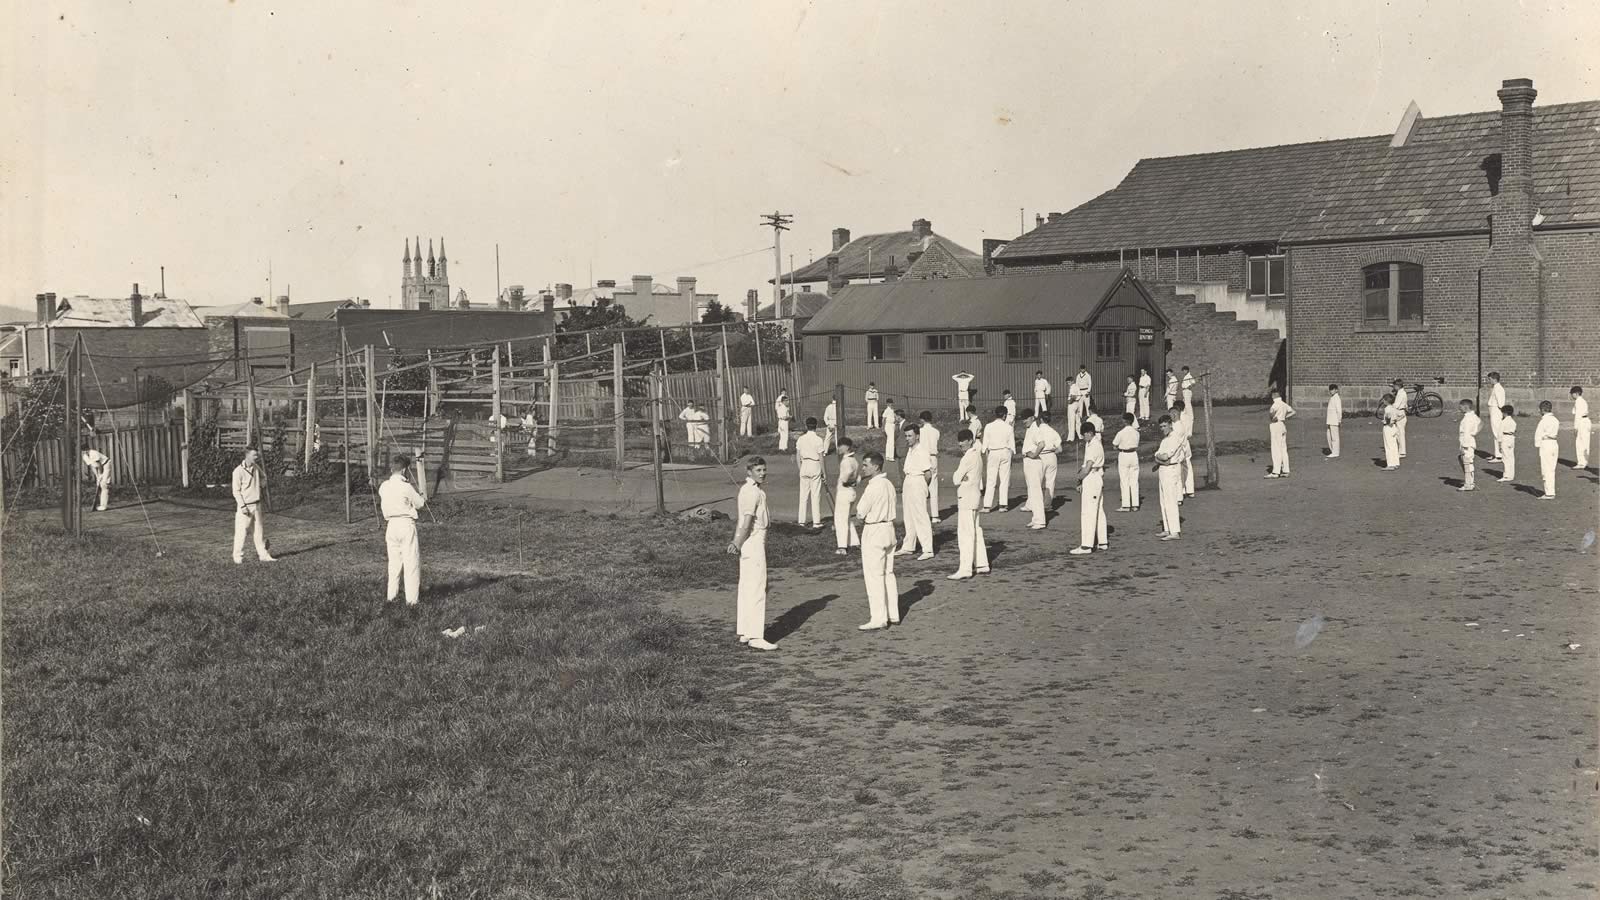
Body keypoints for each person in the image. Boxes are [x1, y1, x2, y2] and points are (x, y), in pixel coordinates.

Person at [727, 457, 777, 650]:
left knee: (748, 587)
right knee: (756, 588)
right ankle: (756, 637)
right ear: (749, 472)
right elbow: (746, 522)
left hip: (753, 542)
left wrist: (738, 542)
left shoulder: (753, 490)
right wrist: (737, 542)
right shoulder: (751, 492)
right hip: (753, 542)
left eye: (764, 469)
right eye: (758, 470)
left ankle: (746, 632)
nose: (762, 473)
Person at [854, 451, 900, 630]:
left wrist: (862, 516)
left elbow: (860, 513)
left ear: (876, 466)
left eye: (865, 465)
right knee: (888, 573)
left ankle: (878, 618)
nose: (863, 468)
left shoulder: (872, 487)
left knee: (874, 576)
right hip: (889, 529)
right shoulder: (888, 484)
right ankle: (893, 614)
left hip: (874, 530)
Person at [379, 452, 427, 603]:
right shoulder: (406, 487)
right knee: (411, 563)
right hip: (405, 525)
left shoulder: (384, 486)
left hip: (391, 526)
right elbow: (420, 503)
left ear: (392, 469)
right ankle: (412, 602)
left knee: (394, 564)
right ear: (405, 470)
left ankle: (391, 598)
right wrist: (422, 495)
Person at [948, 429, 990, 580]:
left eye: (964, 441)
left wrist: (962, 476)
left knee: (965, 534)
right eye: (960, 441)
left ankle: (965, 569)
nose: (961, 444)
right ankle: (982, 564)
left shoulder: (967, 458)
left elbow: (955, 478)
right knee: (976, 531)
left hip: (966, 498)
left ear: (971, 441)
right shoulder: (977, 455)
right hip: (974, 497)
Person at [231, 446, 277, 564]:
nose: (256, 457)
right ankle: (238, 558)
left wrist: (261, 485)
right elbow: (236, 491)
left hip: (257, 505)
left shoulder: (256, 467)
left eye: (257, 455)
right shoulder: (238, 471)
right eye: (254, 455)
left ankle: (263, 555)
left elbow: (264, 477)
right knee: (242, 532)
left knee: (259, 531)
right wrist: (242, 506)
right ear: (247, 455)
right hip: (245, 507)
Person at [896, 423, 935, 559]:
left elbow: (928, 474)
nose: (907, 439)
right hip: (909, 481)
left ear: (917, 436)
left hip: (918, 482)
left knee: (920, 516)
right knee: (909, 515)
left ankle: (928, 549)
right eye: (906, 436)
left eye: (910, 436)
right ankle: (908, 546)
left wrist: (923, 488)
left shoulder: (922, 450)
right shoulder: (910, 450)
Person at [1070, 421, 1108, 554]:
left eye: (1084, 434)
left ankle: (1086, 545)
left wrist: (1079, 479)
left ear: (1089, 433)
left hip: (1092, 478)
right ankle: (1102, 542)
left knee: (1088, 512)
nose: (1083, 437)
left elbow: (1087, 468)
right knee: (1098, 511)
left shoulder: (1094, 445)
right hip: (1095, 477)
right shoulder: (1091, 443)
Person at [1152, 416, 1186, 541]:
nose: (1162, 429)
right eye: (1161, 427)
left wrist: (1160, 457)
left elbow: (1166, 456)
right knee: (1163, 500)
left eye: (1165, 426)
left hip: (1171, 470)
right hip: (1163, 469)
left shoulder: (1175, 438)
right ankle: (1167, 528)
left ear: (1171, 425)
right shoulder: (1165, 440)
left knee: (1170, 500)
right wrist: (1159, 457)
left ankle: (1175, 531)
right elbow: (1157, 455)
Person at [981, 405, 1014, 512]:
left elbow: (984, 445)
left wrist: (987, 457)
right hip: (1005, 452)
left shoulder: (988, 426)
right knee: (1004, 479)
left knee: (991, 480)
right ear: (1004, 415)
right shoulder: (1009, 427)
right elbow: (1012, 445)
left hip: (993, 453)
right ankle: (1003, 505)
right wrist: (1010, 458)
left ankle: (987, 506)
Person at [795, 417, 825, 528]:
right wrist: (824, 472)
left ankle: (801, 521)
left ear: (806, 425)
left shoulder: (801, 439)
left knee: (803, 496)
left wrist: (800, 469)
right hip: (815, 464)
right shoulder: (818, 440)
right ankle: (816, 522)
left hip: (804, 465)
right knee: (815, 494)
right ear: (816, 426)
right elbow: (821, 457)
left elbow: (798, 456)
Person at [833, 438, 862, 554]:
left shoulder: (846, 461)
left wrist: (846, 480)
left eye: (841, 446)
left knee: (840, 519)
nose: (839, 448)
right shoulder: (854, 460)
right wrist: (854, 482)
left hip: (844, 492)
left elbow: (847, 474)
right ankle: (854, 542)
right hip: (852, 492)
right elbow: (858, 477)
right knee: (847, 518)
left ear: (847, 447)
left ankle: (842, 547)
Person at [1020, 411, 1047, 529]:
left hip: (1034, 462)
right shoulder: (1030, 429)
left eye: (1026, 419)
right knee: (1032, 492)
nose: (1024, 421)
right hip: (1028, 462)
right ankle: (1036, 518)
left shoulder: (1035, 429)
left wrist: (1035, 454)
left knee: (1036, 492)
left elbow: (1042, 444)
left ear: (1032, 418)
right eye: (1023, 419)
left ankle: (1040, 521)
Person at [1112, 412, 1140, 512]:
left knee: (1124, 480)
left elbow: (1114, 445)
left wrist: (1119, 447)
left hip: (1124, 454)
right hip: (1134, 455)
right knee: (1134, 480)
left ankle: (1126, 505)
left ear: (1124, 421)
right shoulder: (1136, 432)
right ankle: (1135, 505)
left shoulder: (1121, 433)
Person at [1265, 388, 1295, 478]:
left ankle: (1276, 472)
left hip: (1276, 426)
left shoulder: (1275, 404)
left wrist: (1273, 417)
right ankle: (1285, 470)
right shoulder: (1283, 404)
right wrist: (1284, 417)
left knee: (1276, 448)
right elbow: (1293, 412)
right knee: (1283, 449)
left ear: (1273, 395)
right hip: (1282, 425)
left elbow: (1271, 413)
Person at [918, 411, 942, 523]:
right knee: (933, 487)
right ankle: (935, 515)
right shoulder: (936, 432)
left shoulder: (920, 431)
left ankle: (922, 514)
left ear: (922, 420)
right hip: (933, 458)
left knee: (922, 486)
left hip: (923, 458)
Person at [1534, 400, 1560, 499]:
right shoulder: (1555, 420)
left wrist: (1538, 444)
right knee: (1552, 468)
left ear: (1542, 410)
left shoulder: (1543, 421)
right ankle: (1550, 491)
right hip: (1554, 443)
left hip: (1546, 444)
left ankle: (1549, 493)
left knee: (1546, 469)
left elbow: (1538, 434)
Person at [1037, 410, 1063, 504]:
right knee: (1050, 482)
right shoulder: (1053, 431)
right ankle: (1047, 504)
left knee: (1037, 481)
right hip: (1051, 456)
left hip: (1040, 456)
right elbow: (1060, 449)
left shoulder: (1037, 430)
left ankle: (1037, 504)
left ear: (1040, 420)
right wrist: (1051, 452)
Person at [1173, 399, 1196, 499]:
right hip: (1187, 442)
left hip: (1178, 443)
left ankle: (1181, 490)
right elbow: (1189, 433)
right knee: (1188, 465)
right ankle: (1190, 490)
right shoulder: (1189, 417)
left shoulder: (1176, 420)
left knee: (1178, 466)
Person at [1457, 399, 1481, 491]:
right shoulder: (1473, 416)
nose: (1460, 408)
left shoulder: (1467, 419)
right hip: (1470, 442)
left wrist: (1464, 446)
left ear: (1466, 407)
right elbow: (1481, 423)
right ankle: (1470, 482)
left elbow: (1466, 433)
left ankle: (1468, 485)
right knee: (1468, 463)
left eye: (1461, 406)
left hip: (1467, 444)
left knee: (1467, 463)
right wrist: (1474, 432)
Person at [80, 442, 111, 512]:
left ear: (87, 449)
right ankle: (101, 504)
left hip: (106, 464)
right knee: (100, 484)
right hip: (100, 466)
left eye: (85, 450)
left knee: (104, 485)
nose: (84, 452)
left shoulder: (94, 453)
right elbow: (92, 466)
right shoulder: (85, 456)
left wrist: (100, 474)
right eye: (82, 451)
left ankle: (104, 506)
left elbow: (99, 465)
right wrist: (97, 476)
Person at [1485, 373, 1506, 461]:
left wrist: (1500, 413)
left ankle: (1499, 456)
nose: (1489, 381)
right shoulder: (1496, 388)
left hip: (1496, 412)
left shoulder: (1498, 388)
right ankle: (1497, 453)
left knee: (1497, 433)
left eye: (1490, 379)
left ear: (1494, 379)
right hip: (1494, 411)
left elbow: (1501, 403)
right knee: (1496, 433)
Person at [1378, 393, 1401, 470]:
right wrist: (1394, 420)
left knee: (1388, 446)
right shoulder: (1394, 408)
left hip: (1388, 427)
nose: (1383, 401)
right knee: (1394, 445)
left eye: (1384, 400)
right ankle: (1395, 463)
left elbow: (1388, 418)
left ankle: (1390, 464)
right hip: (1394, 427)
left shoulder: (1387, 409)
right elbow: (1401, 415)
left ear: (1386, 401)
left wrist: (1385, 421)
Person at [1496, 404, 1518, 482]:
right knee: (1511, 457)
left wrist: (1499, 443)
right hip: (1511, 438)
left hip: (1505, 438)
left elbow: (1499, 432)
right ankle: (1511, 475)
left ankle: (1506, 476)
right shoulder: (1513, 421)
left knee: (1505, 458)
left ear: (1504, 413)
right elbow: (1514, 430)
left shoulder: (1504, 422)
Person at [1572, 386, 1591, 469]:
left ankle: (1582, 462)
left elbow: (1577, 415)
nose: (1572, 396)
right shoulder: (1581, 401)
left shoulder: (1579, 401)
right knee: (1584, 442)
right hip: (1585, 421)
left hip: (1582, 422)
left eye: (1572, 394)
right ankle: (1583, 462)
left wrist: (1575, 427)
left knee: (1580, 442)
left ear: (1576, 394)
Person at [1392, 379, 1410, 458]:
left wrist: (1390, 407)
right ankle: (1401, 450)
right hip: (1402, 413)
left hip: (1400, 413)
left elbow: (1397, 405)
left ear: (1397, 386)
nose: (1393, 387)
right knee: (1399, 433)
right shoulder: (1402, 392)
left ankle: (1402, 452)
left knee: (1400, 433)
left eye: (1394, 386)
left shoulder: (1400, 394)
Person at [1324, 384, 1343, 459]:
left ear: (1336, 390)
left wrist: (1339, 420)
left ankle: (1335, 452)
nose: (1331, 391)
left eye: (1332, 389)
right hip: (1330, 420)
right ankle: (1333, 450)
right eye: (1330, 390)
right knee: (1329, 435)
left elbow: (1339, 410)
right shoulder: (1332, 398)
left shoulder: (1337, 398)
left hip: (1334, 420)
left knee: (1335, 437)